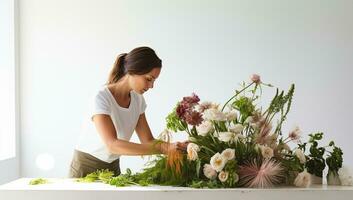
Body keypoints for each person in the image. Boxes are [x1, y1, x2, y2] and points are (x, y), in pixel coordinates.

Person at [69, 46, 186, 178]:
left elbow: (147, 140)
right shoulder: (101, 97)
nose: (151, 86)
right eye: (148, 79)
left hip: (112, 167)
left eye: (154, 80)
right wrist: (163, 148)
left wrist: (174, 147)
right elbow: (112, 145)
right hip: (85, 166)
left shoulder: (138, 100)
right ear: (132, 71)